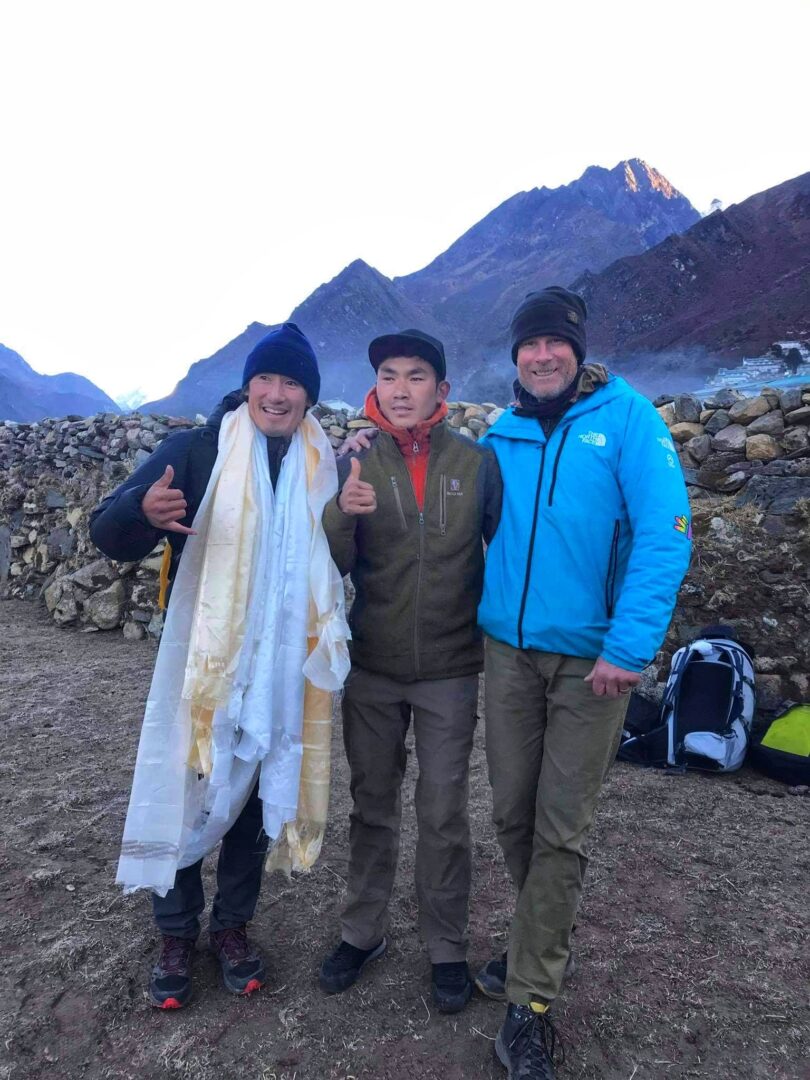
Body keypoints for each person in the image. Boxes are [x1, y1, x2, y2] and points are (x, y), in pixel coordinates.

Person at [90, 323, 349, 1009]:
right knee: (189, 790)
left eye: (293, 382)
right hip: (205, 669)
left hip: (280, 668)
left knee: (250, 805)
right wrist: (140, 512)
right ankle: (176, 933)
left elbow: (349, 552)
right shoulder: (198, 452)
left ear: (309, 397)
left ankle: (232, 927)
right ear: (248, 385)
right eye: (268, 378)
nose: (277, 393)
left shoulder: (325, 468)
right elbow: (106, 531)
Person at [475, 288, 691, 1078]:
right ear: (515, 356)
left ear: (576, 349)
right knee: (509, 814)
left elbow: (667, 535)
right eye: (528, 344)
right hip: (508, 655)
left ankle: (531, 1000)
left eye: (554, 344)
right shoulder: (498, 434)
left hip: (591, 665)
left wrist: (628, 647)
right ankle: (535, 939)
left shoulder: (628, 420)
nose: (541, 356)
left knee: (560, 829)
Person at [317, 329, 502, 1013]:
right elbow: (329, 564)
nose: (400, 387)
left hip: (452, 668)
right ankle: (362, 932)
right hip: (371, 667)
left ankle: (446, 945)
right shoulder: (353, 462)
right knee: (371, 806)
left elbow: (505, 553)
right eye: (389, 374)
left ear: (442, 391)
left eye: (416, 375)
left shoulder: (477, 463)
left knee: (444, 811)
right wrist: (343, 512)